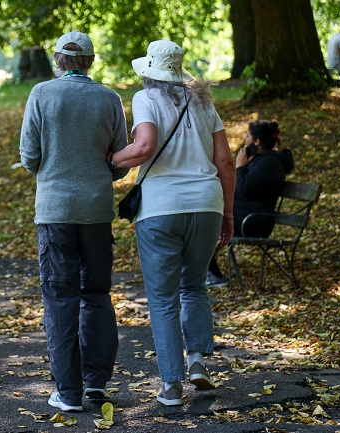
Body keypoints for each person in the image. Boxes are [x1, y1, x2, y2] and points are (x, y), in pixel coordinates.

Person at [107, 40, 236, 406]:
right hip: (206, 205)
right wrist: (227, 213)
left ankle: (171, 386)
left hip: (161, 209)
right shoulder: (205, 103)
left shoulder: (145, 99)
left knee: (163, 299)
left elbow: (145, 147)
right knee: (194, 287)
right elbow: (225, 162)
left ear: (149, 71)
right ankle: (197, 361)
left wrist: (110, 159)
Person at [19, 31, 129, 412]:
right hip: (96, 211)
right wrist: (100, 176)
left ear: (57, 60)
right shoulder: (109, 98)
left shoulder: (42, 94)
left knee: (60, 298)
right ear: (91, 62)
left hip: (54, 210)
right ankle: (96, 384)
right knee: (96, 294)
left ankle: (68, 392)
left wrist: (52, 168)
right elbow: (120, 157)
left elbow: (29, 155)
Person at [206, 120, 295, 286]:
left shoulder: (269, 164)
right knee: (202, 218)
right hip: (246, 215)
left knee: (206, 221)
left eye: (247, 136)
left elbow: (243, 189)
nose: (245, 139)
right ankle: (206, 272)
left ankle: (213, 275)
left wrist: (240, 167)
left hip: (254, 221)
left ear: (257, 142)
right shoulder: (261, 160)